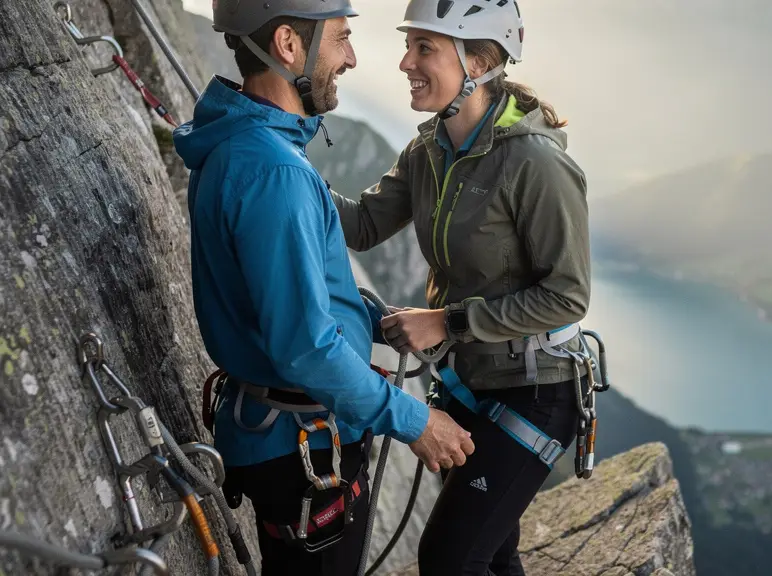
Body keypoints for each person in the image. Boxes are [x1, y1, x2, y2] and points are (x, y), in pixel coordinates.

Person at [172, 1, 474, 574]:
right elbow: (306, 347)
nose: (352, 57)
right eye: (340, 38)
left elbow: (280, 293)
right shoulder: (274, 172)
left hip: (287, 438)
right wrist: (415, 422)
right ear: (289, 45)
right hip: (302, 449)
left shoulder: (248, 148)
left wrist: (363, 312)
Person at [332, 1, 591, 573]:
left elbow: (568, 295)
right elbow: (364, 225)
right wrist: (281, 167)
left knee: (449, 557)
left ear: (477, 63)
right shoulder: (430, 151)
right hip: (470, 384)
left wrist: (446, 322)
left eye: (425, 47)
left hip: (537, 391)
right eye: (411, 45)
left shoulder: (534, 164)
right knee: (492, 555)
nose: (405, 62)